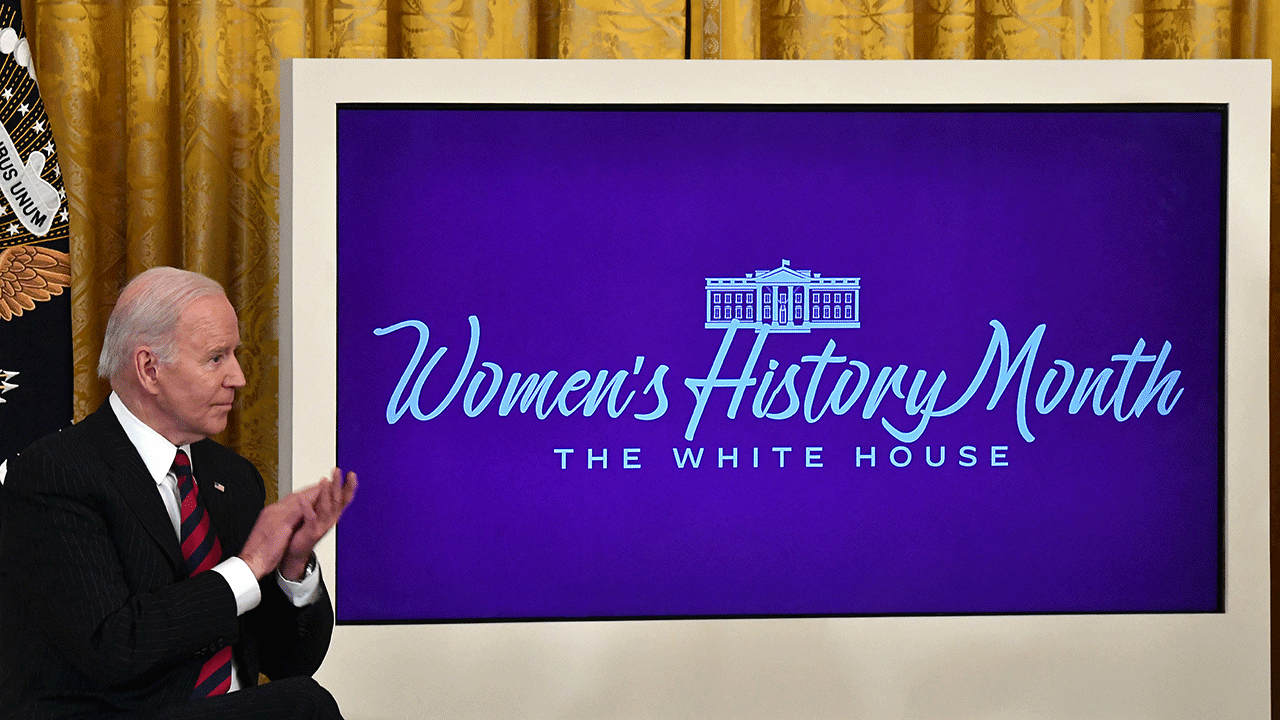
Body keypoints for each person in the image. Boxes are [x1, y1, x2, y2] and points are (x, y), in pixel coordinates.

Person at [0, 267, 356, 719]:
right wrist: (247, 567)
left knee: (300, 695)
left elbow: (290, 663)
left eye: (235, 355)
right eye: (216, 358)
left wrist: (291, 564)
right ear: (149, 368)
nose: (239, 378)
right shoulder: (54, 474)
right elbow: (113, 648)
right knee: (305, 707)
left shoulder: (234, 478)